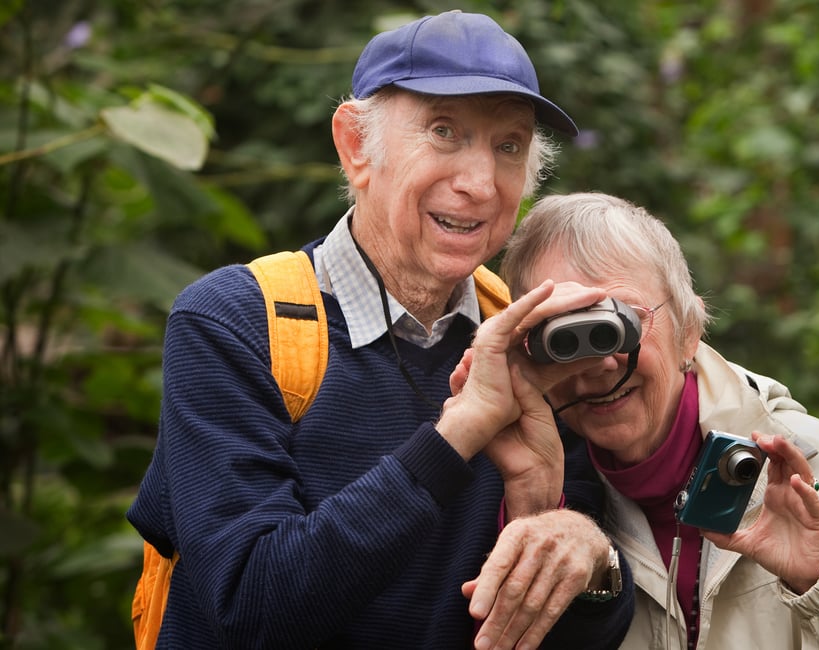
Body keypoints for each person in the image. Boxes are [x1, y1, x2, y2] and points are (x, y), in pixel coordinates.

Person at [126, 13, 633, 649]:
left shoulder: (535, 336)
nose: (479, 184)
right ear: (356, 147)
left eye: (509, 146)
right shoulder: (233, 323)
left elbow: (579, 637)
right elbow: (251, 608)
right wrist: (458, 434)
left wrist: (579, 545)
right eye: (444, 132)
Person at [494, 192, 819, 649]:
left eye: (621, 323)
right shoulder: (536, 487)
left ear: (689, 332)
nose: (599, 363)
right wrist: (536, 503)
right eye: (563, 336)